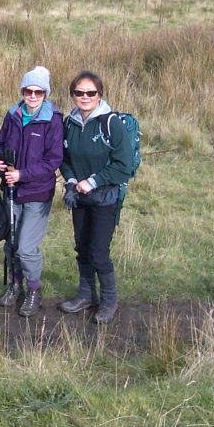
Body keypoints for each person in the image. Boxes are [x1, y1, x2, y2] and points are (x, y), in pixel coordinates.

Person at [59, 70, 135, 324]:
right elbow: (65, 160)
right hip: (79, 198)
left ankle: (109, 300)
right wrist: (71, 182)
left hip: (104, 197)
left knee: (98, 251)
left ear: (99, 94)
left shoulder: (111, 123)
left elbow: (123, 166)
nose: (85, 97)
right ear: (72, 95)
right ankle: (85, 295)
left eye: (90, 92)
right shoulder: (69, 123)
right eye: (79, 92)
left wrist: (92, 182)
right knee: (81, 248)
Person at [0, 66, 64, 317]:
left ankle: (34, 290)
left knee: (26, 247)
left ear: (45, 93)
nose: (32, 96)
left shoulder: (53, 120)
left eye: (38, 92)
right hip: (11, 190)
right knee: (11, 243)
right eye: (28, 90)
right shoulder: (12, 115)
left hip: (38, 192)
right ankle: (15, 284)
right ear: (22, 91)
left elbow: (53, 161)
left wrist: (22, 174)